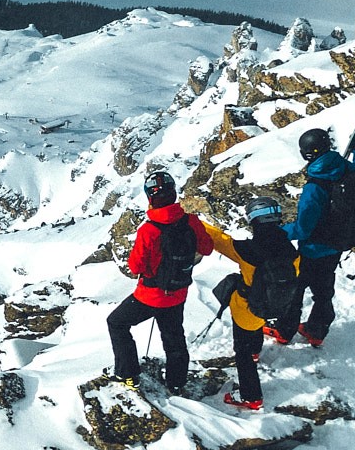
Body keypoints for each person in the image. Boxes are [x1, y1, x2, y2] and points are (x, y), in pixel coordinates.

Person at [108, 169, 218, 395]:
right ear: (174, 194)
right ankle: (176, 383)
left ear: (150, 199)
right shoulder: (191, 221)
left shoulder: (149, 230)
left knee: (117, 323)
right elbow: (207, 248)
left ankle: (127, 374)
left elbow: (136, 266)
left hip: (150, 295)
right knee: (173, 337)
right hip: (178, 292)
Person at [271, 125, 355, 346]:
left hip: (313, 249)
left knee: (295, 291)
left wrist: (277, 232)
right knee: (324, 290)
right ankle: (316, 331)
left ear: (305, 154)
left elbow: (303, 228)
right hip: (338, 243)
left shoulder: (315, 187)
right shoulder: (346, 169)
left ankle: (284, 331)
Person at [211, 197, 299, 409]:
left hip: (247, 310)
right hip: (278, 304)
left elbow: (220, 241)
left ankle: (251, 396)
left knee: (241, 350)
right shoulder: (291, 250)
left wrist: (194, 222)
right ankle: (256, 349)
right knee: (258, 315)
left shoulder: (247, 249)